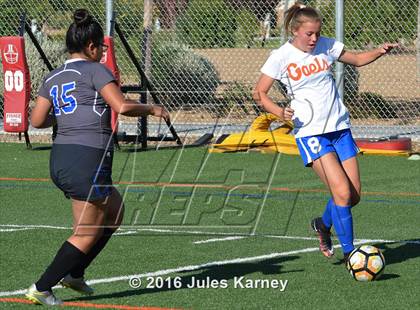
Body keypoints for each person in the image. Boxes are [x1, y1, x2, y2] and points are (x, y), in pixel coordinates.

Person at [26, 9, 170, 306]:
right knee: (86, 233)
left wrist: (67, 116)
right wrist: (152, 109)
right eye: (101, 48)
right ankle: (42, 286)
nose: (103, 53)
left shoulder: (53, 77)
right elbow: (121, 106)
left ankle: (75, 273)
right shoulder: (96, 70)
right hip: (87, 158)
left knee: (114, 213)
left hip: (62, 157)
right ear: (91, 47)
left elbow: (37, 121)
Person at [253, 2, 397, 263]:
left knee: (353, 196)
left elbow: (356, 59)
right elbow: (259, 92)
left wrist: (378, 51)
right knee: (341, 192)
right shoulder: (281, 56)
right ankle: (350, 254)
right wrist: (278, 111)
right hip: (312, 134)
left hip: (340, 129)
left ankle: (322, 224)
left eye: (317, 33)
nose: (314, 38)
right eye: (309, 34)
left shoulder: (327, 45)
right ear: (295, 30)